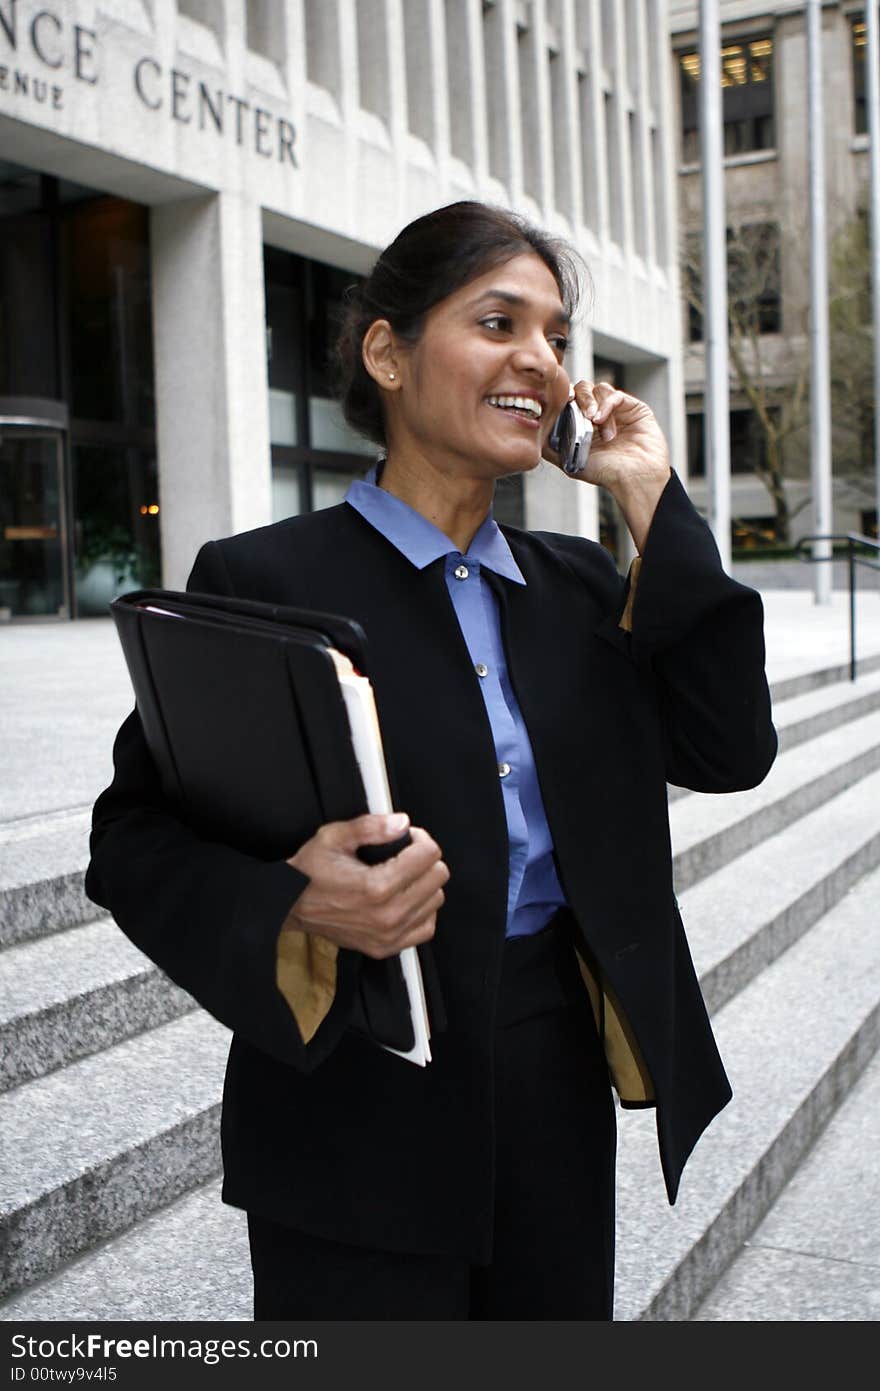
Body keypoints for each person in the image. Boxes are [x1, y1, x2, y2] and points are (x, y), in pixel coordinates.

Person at [86, 201, 777, 1321]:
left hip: (554, 1071)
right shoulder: (260, 580)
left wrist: (650, 495)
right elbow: (132, 842)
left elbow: (730, 747)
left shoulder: (584, 589)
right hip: (352, 1084)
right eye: (498, 320)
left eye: (556, 336)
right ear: (387, 353)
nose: (540, 362)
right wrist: (298, 898)